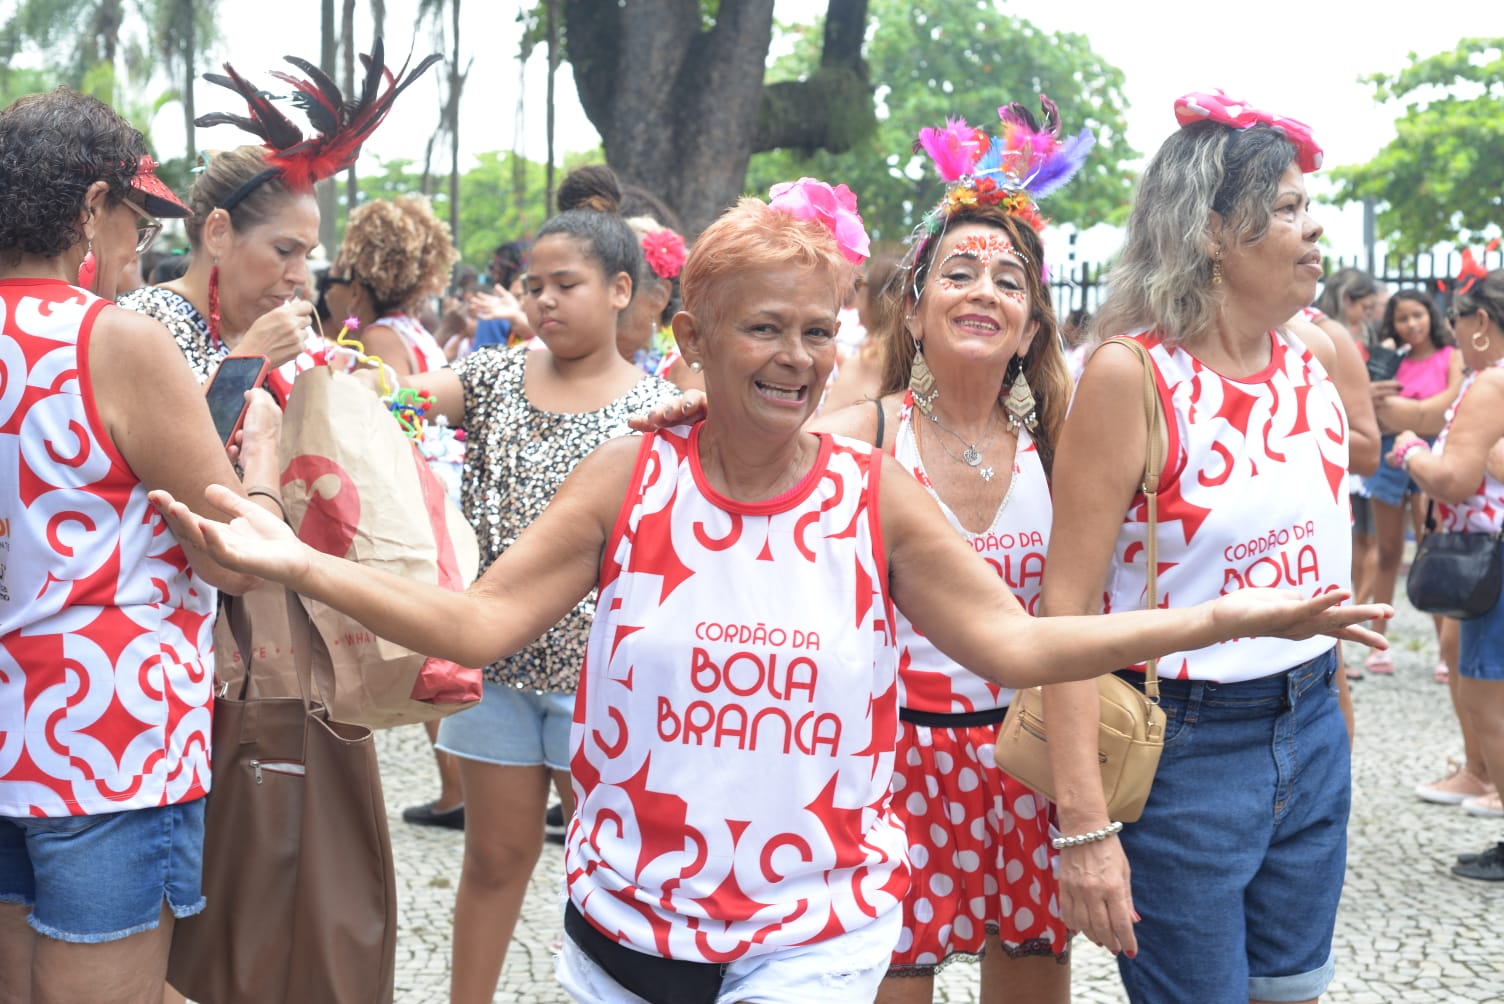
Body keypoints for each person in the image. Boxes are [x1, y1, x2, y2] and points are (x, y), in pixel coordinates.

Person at [151, 177, 1389, 1004]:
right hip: (624, 922)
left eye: (814, 331)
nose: (793, 357)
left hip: (816, 920)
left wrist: (1233, 617)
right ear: (693, 337)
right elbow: (479, 623)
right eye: (761, 330)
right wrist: (300, 563)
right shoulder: (634, 472)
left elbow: (1020, 644)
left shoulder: (868, 491)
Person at [1040, 91, 1367, 1003]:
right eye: (1289, 207)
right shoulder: (1131, 374)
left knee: (1291, 992)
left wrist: (1332, 711)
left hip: (1311, 728)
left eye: (1311, 206)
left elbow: (1318, 568)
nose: (1314, 228)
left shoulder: (1317, 360)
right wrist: (1085, 827)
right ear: (1214, 228)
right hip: (1183, 746)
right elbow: (1062, 614)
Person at [0, 86, 279, 1003]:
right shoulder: (115, 342)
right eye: (133, 217)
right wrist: (263, 460)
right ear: (88, 209)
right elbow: (229, 553)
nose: (138, 244)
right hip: (108, 740)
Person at [812, 102, 1089, 1004]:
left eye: (1011, 281)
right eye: (960, 272)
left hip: (1028, 762)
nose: (984, 290)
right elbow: (746, 470)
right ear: (917, 309)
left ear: (1033, 324)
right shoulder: (859, 439)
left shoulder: (1065, 443)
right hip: (889, 769)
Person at [385, 165, 681, 1003]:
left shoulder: (659, 410)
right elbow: (400, 406)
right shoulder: (493, 377)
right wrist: (352, 384)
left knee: (612, 875)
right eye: (533, 284)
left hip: (608, 681)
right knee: (494, 858)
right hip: (498, 673)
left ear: (623, 289)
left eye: (567, 285)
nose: (545, 300)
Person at [320, 194, 471, 831]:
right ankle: (456, 784)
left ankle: (455, 787)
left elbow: (388, 411)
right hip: (439, 480)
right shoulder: (413, 329)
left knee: (423, 647)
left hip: (405, 489)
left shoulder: (380, 336)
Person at [1388, 263, 1504, 876]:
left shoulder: (1490, 382)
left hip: (1491, 555)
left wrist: (1410, 455)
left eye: (1457, 322)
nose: (1452, 333)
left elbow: (1457, 480)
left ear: (1481, 321)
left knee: (1486, 699)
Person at [116, 144, 319, 394]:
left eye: (307, 255)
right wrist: (250, 361)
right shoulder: (138, 323)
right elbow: (160, 434)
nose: (300, 276)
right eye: (284, 250)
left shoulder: (285, 337)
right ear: (218, 233)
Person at [1363, 289, 1463, 679]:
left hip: (1432, 457)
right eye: (1402, 318)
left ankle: (1444, 650)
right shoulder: (1391, 358)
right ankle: (1378, 644)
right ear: (1392, 323)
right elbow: (1370, 403)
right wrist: (1386, 354)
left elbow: (1444, 413)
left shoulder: (1450, 356)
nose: (1412, 325)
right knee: (1387, 552)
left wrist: (1405, 415)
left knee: (1430, 551)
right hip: (1388, 460)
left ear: (1431, 315)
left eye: (1418, 315)